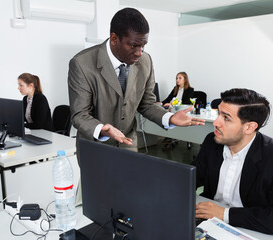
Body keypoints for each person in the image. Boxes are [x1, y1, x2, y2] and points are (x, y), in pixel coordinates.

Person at [68, 8, 204, 152]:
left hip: (128, 145)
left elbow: (147, 104)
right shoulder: (82, 63)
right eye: (133, 45)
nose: (139, 53)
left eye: (143, 46)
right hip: (94, 147)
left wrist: (169, 118)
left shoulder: (146, 61)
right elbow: (79, 114)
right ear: (114, 39)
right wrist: (102, 129)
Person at [192, 88, 273, 235]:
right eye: (218, 113)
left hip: (250, 228)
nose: (216, 122)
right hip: (209, 224)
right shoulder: (212, 142)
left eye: (226, 118)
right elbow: (191, 179)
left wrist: (225, 214)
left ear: (249, 127)